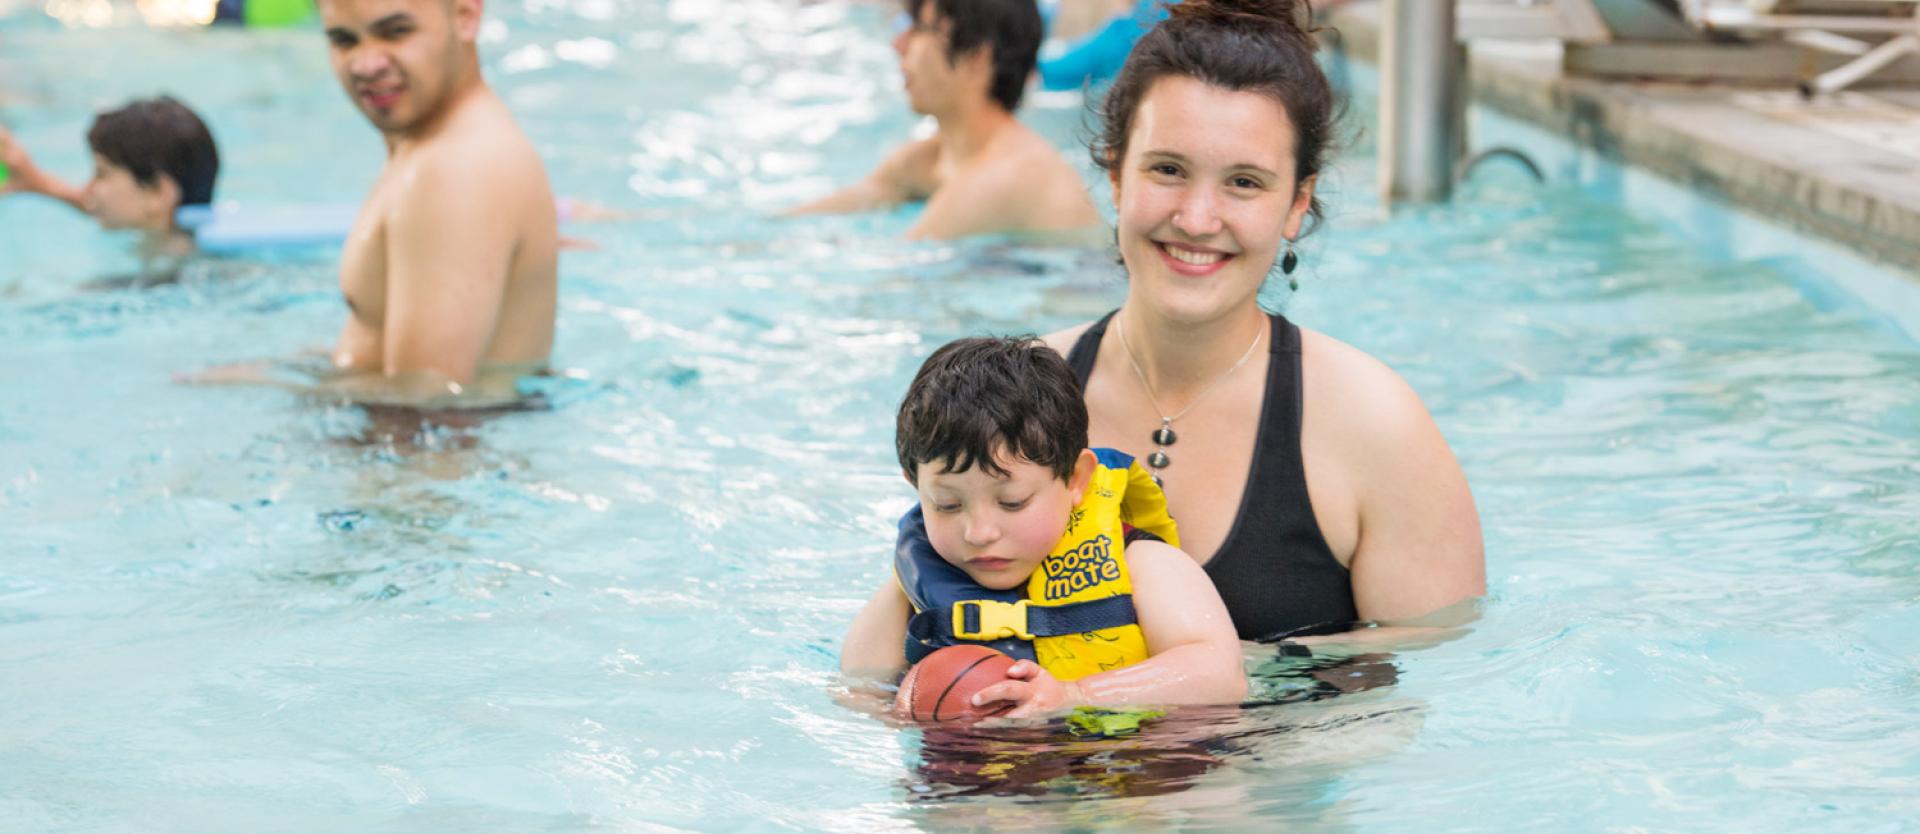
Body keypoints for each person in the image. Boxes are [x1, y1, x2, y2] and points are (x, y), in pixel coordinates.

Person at [900, 0, 1486, 646]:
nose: (1198, 218)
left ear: (1297, 204)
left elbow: (1443, 677)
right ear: (1116, 174)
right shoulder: (1010, 396)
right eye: (1168, 170)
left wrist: (1204, 686)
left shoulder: (1375, 426)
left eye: (1243, 182)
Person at [842, 336, 1246, 718]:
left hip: (1127, 774)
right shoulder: (912, 583)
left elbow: (1220, 675)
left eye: (1012, 502)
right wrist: (908, 707)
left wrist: (1076, 695)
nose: (978, 532)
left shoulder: (1144, 564)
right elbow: (858, 690)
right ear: (915, 485)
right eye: (947, 504)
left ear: (1075, 480)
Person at [182, 0, 558, 407]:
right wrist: (273, 371)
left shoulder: (455, 170)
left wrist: (271, 387)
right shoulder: (436, 145)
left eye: (396, 32)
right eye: (344, 40)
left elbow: (426, 401)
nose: (366, 64)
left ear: (466, 16)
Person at [789, 0, 1102, 241]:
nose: (898, 45)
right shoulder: (933, 157)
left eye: (921, 29)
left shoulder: (1005, 176)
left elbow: (891, 286)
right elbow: (827, 209)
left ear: (976, 56)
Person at [0, 96, 219, 262]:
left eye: (102, 173)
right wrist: (38, 184)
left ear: (157, 192)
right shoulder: (179, 246)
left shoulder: (155, 282)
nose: (89, 187)